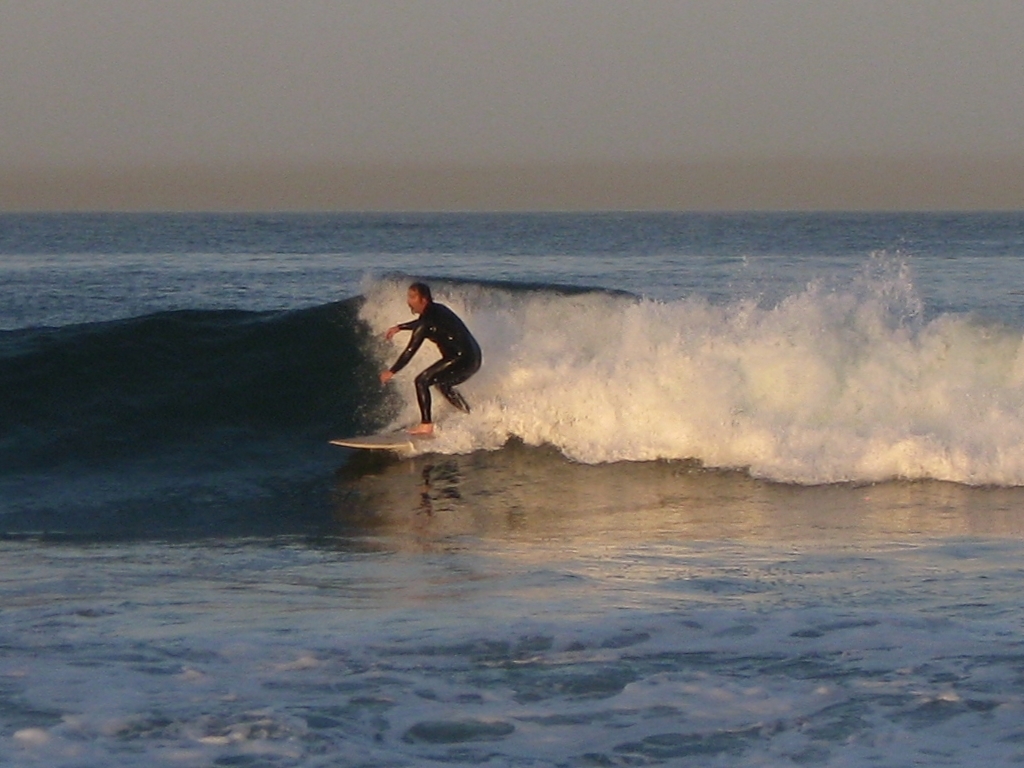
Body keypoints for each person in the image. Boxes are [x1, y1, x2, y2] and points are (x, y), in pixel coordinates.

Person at [380, 282, 482, 435]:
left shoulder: (425, 323)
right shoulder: (439, 309)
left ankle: (426, 425)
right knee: (442, 384)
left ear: (424, 299)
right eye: (409, 297)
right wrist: (400, 327)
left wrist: (391, 371)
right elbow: (422, 323)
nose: (409, 301)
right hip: (474, 358)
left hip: (460, 358)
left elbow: (410, 350)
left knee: (421, 381)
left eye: (413, 297)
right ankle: (468, 413)